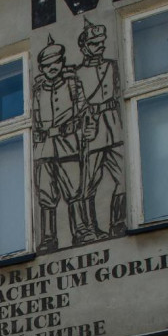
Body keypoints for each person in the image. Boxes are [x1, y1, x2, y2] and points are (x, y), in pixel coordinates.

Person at [31, 37, 85, 252]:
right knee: (45, 193)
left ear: (62, 63)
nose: (52, 68)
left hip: (67, 142)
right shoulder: (37, 90)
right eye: (47, 65)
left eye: (56, 63)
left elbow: (82, 109)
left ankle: (80, 229)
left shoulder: (72, 83)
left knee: (74, 187)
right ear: (41, 68)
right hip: (44, 146)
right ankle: (48, 236)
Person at [75, 20, 126, 237]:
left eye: (102, 43)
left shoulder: (111, 66)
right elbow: (77, 105)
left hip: (114, 128)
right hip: (93, 131)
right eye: (95, 44)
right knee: (89, 183)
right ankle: (91, 228)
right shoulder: (77, 74)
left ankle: (118, 223)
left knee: (123, 176)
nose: (101, 46)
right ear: (85, 47)